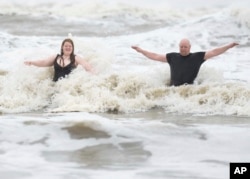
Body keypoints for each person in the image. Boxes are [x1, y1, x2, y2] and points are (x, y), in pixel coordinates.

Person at [131, 39, 239, 86]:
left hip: (188, 90)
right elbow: (155, 56)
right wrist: (140, 50)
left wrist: (229, 46)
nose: (183, 49)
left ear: (189, 47)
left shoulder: (198, 57)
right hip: (172, 91)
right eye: (181, 47)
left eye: (185, 47)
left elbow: (215, 52)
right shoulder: (172, 57)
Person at [24, 38, 94, 82]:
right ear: (62, 47)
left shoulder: (76, 58)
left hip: (67, 89)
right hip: (55, 87)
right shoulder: (56, 57)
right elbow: (43, 62)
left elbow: (88, 67)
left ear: (72, 48)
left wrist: (96, 78)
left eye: (70, 46)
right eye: (66, 46)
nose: (68, 48)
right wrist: (31, 62)